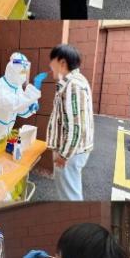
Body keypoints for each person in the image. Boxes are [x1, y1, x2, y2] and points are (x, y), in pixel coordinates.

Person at [0, 53, 47, 160]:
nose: (24, 75)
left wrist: (30, 108)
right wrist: (33, 93)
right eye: (21, 71)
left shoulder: (17, 87)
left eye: (25, 72)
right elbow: (12, 104)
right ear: (12, 69)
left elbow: (20, 110)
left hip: (3, 133)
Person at [46, 44, 94, 200]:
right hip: (73, 150)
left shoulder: (72, 86)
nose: (49, 65)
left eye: (52, 61)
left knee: (69, 195)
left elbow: (75, 127)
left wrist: (64, 155)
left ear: (62, 63)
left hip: (70, 152)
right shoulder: (75, 81)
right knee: (70, 190)